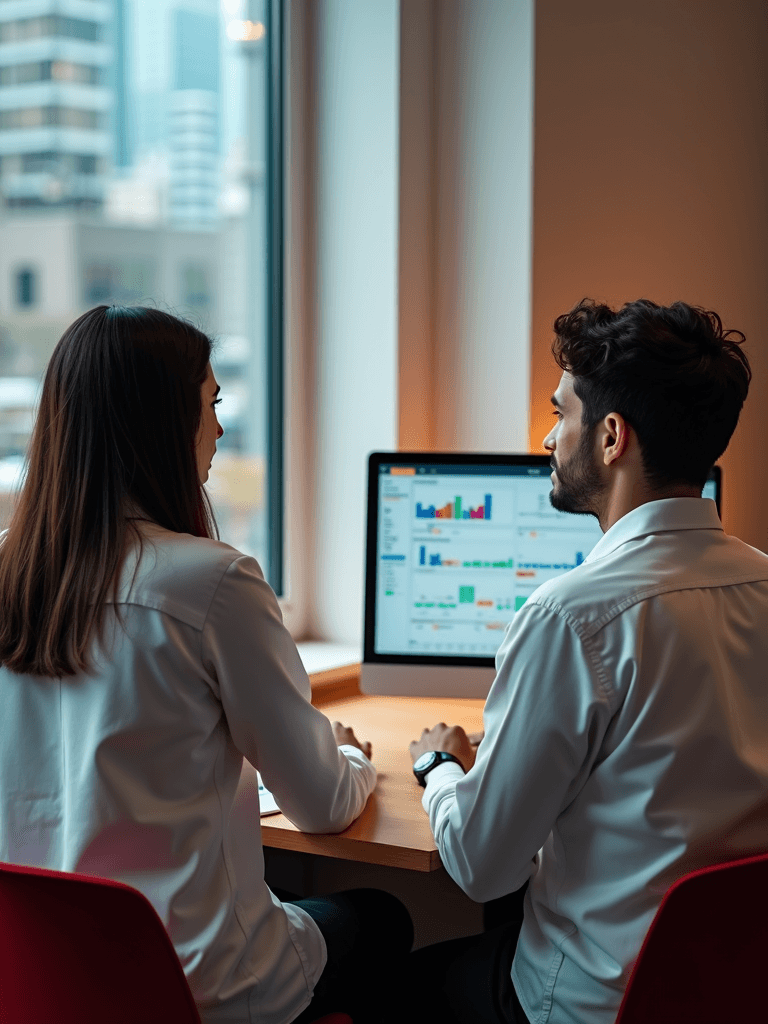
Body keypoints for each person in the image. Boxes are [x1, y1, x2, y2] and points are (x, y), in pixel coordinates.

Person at [0, 305, 413, 1024]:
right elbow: (322, 803)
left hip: (45, 983)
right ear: (162, 421)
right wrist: (353, 761)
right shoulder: (210, 581)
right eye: (211, 402)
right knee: (384, 916)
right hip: (205, 994)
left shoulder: (12, 567)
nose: (219, 429)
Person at [402, 298, 768, 1024]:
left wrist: (439, 769)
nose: (547, 434)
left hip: (587, 1003)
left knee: (389, 978)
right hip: (734, 990)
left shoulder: (573, 617)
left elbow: (480, 868)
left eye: (558, 411)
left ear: (609, 437)